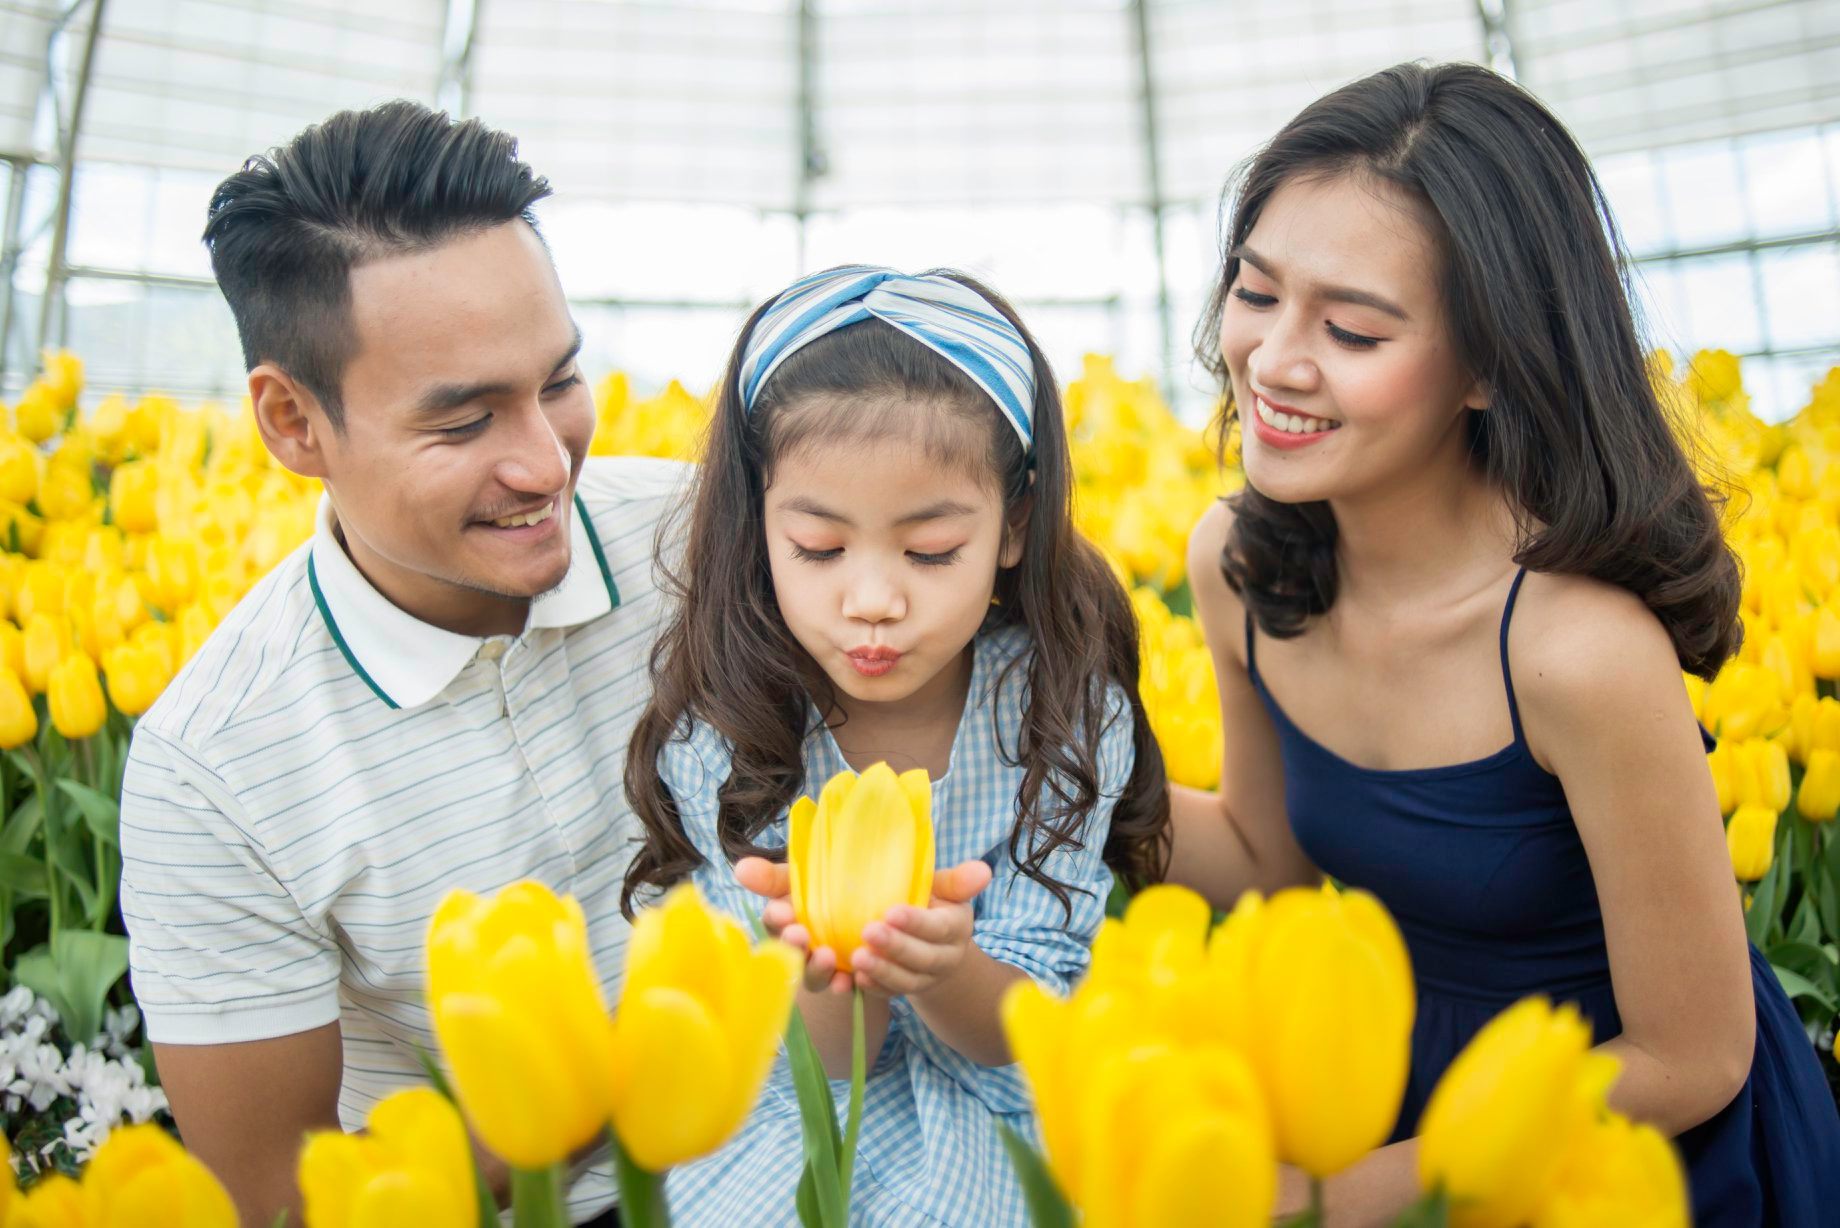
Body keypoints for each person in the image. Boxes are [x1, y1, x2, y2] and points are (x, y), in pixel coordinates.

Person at [1168, 61, 1840, 1226]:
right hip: (1390, 1109)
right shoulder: (1237, 564)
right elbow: (1269, 861)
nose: (1273, 359)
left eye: (1352, 328)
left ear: (1487, 363)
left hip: (1616, 1157)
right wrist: (1030, 761)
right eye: (1255, 291)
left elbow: (1692, 1056)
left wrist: (1337, 1200)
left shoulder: (1573, 649)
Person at [118, 100, 683, 1226]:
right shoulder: (213, 768)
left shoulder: (698, 539)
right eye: (464, 421)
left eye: (558, 383)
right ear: (292, 424)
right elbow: (282, 1197)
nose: (544, 462)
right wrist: (613, 1077)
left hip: (820, 1138)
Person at [620, 266, 1171, 1225]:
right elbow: (816, 1064)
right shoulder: (729, 726)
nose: (872, 599)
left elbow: (1028, 1031)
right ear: (759, 526)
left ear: (1016, 525)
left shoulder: (1059, 714)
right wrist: (828, 963)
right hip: (794, 1109)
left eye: (928, 553)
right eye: (821, 551)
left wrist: (945, 965)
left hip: (1005, 1100)